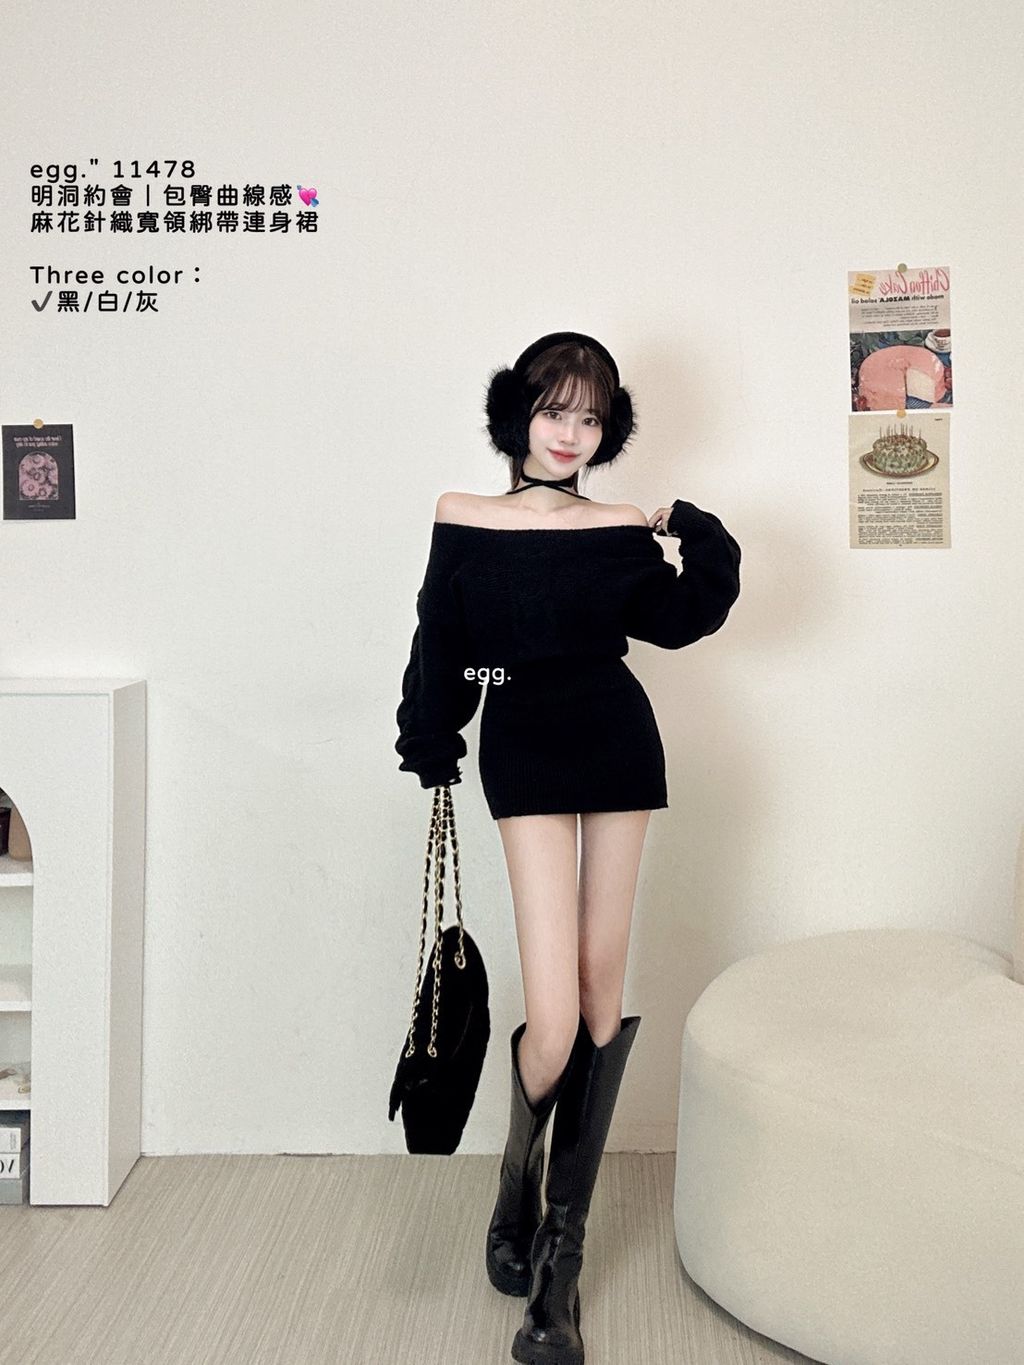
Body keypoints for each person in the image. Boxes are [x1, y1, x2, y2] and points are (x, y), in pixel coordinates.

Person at [395, 331, 741, 1365]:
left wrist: (689, 526)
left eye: (590, 417)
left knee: (599, 997)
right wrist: (432, 739)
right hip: (524, 750)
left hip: (617, 741)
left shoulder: (617, 527)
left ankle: (558, 1262)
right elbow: (440, 642)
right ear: (518, 413)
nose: (570, 433)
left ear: (608, 430)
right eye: (555, 410)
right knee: (551, 1021)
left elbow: (679, 619)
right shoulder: (464, 515)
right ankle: (515, 1182)